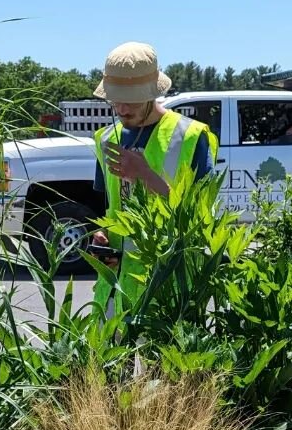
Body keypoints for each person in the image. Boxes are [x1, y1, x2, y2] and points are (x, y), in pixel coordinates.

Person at [90, 42, 215, 302]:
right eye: (116, 100)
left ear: (152, 93)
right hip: (115, 288)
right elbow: (110, 210)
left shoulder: (190, 137)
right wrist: (102, 239)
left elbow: (203, 221)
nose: (122, 109)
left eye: (131, 100)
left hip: (168, 286)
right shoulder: (106, 139)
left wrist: (145, 175)